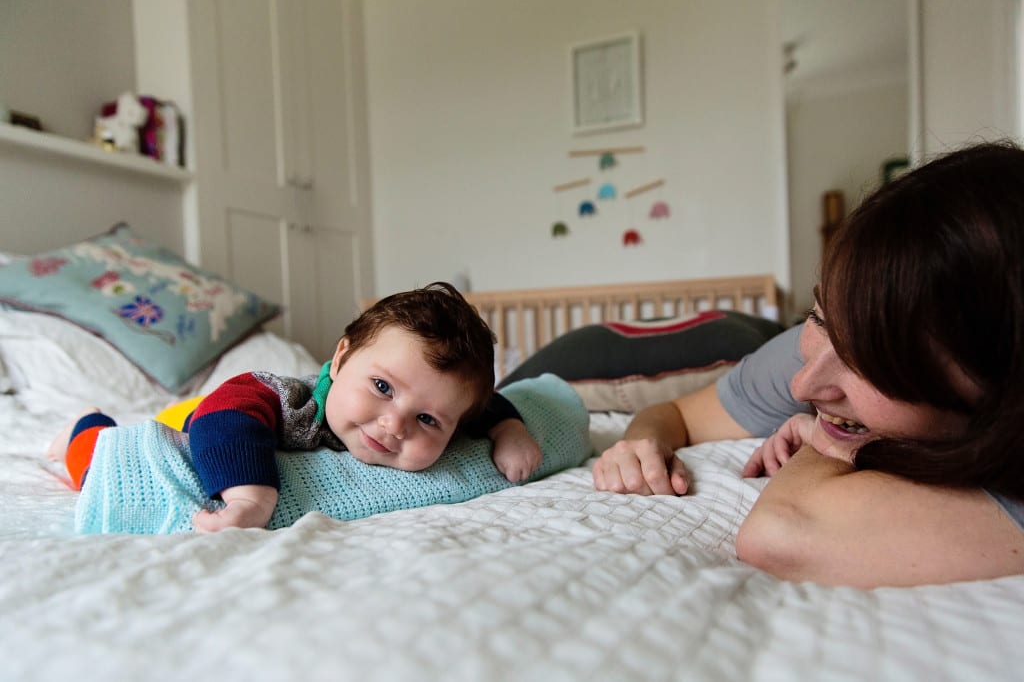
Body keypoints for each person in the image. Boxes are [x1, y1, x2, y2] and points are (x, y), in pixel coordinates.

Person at [592, 141, 1024, 588]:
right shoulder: (823, 349)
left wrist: (827, 443)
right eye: (819, 316)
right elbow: (677, 413)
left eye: (874, 365)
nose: (802, 387)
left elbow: (782, 534)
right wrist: (641, 444)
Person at [50, 282, 542, 532]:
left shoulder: (449, 408)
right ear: (343, 355)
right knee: (90, 461)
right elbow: (229, 413)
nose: (394, 425)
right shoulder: (289, 400)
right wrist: (250, 497)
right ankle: (84, 424)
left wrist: (509, 430)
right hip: (191, 420)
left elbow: (479, 406)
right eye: (382, 387)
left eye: (428, 419)